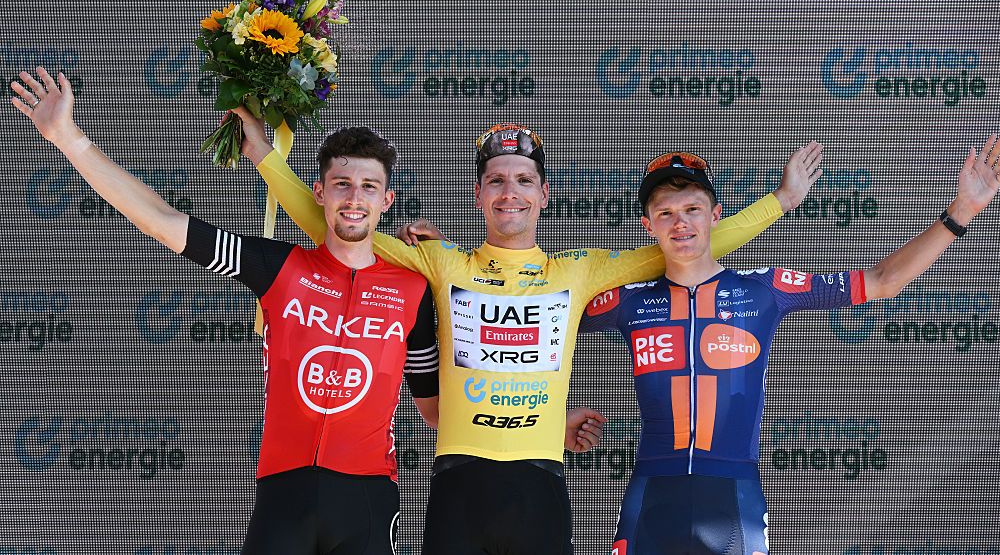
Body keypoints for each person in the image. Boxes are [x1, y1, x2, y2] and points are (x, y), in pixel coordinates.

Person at [235, 108, 820, 555]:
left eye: (522, 179)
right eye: (495, 180)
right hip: (457, 484)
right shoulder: (442, 262)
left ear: (543, 195)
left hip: (540, 486)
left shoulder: (579, 271)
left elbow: (689, 242)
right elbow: (339, 223)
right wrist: (264, 155)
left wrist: (781, 200)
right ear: (479, 195)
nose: (509, 191)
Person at [11, 67, 442, 555]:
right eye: (342, 184)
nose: (354, 198)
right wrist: (68, 138)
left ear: (387, 199)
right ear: (319, 193)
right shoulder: (278, 267)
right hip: (283, 492)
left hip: (367, 498)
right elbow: (162, 221)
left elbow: (435, 411)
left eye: (368, 187)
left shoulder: (414, 288)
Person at [578, 143, 1000, 555]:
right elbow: (546, 326)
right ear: (648, 226)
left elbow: (881, 281)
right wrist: (555, 419)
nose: (680, 223)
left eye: (692, 209)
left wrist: (961, 213)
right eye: (666, 213)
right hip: (652, 497)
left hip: (733, 499)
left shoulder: (764, 289)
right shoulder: (628, 301)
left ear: (716, 215)